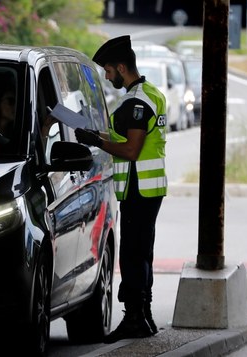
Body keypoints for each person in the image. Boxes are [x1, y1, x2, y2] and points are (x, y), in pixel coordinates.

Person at [75, 35, 167, 344]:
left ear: (121, 66)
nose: (107, 76)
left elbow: (130, 149)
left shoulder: (135, 102)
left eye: (108, 71)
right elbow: (122, 133)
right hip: (147, 190)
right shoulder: (150, 92)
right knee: (142, 252)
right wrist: (96, 134)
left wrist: (97, 142)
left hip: (138, 190)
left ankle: (134, 320)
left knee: (132, 255)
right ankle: (145, 316)